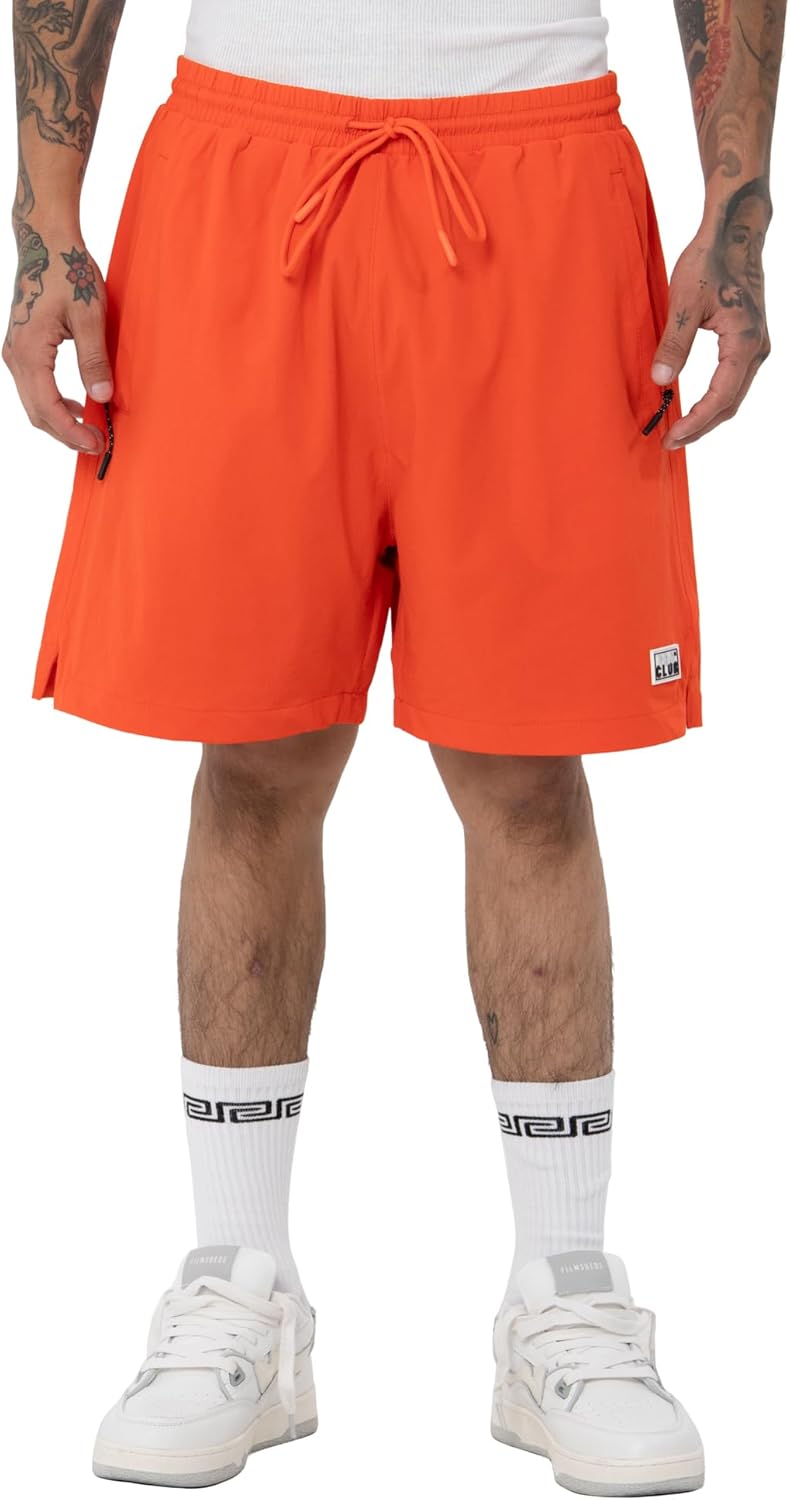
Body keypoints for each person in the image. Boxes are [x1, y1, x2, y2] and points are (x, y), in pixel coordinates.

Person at [4, 2, 783, 1493]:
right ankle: (240, 1287)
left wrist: (733, 212)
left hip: (540, 175)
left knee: (526, 769)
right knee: (256, 754)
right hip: (241, 164)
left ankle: (563, 1294)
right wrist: (47, 224)